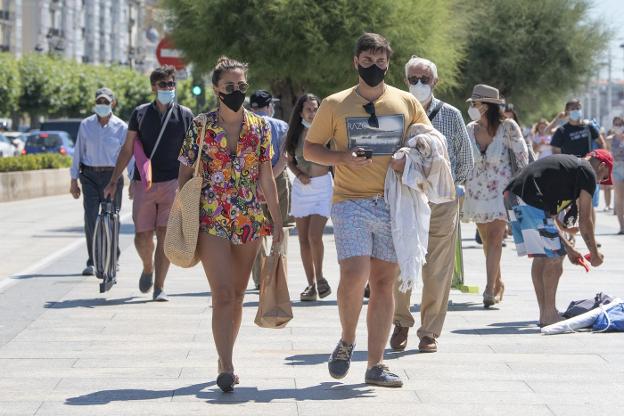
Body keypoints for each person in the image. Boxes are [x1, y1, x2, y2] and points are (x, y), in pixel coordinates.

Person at [304, 33, 430, 388]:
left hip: (393, 203)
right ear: (355, 62)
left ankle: (376, 365)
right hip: (350, 202)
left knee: (384, 284)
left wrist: (411, 160)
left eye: (380, 61)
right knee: (354, 274)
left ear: (388, 63)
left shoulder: (405, 102)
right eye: (367, 60)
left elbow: (429, 143)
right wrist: (341, 157)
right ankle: (347, 340)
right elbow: (311, 149)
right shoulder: (334, 104)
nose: (374, 67)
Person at [177, 56, 284, 393]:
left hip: (250, 219)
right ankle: (225, 364)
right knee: (222, 293)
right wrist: (183, 213)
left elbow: (266, 177)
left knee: (238, 295)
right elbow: (185, 172)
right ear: (216, 89)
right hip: (211, 217)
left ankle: (228, 355)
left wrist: (278, 224)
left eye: (241, 86)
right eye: (229, 87)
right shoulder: (200, 125)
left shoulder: (260, 127)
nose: (236, 91)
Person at [389, 56, 473, 353]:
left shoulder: (450, 114)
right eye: (414, 79)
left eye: (425, 79)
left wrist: (450, 188)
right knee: (402, 258)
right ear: (405, 81)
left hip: (442, 201)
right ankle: (400, 322)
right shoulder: (394, 111)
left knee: (438, 267)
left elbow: (465, 158)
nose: (419, 84)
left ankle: (429, 332)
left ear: (435, 82)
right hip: (405, 199)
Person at [104, 66, 194, 301]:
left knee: (165, 236)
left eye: (171, 84)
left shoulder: (185, 115)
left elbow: (195, 151)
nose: (168, 88)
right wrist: (114, 180)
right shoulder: (141, 114)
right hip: (145, 183)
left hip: (173, 183)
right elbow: (127, 148)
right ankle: (147, 267)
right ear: (154, 87)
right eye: (163, 84)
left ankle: (160, 287)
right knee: (142, 237)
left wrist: (194, 184)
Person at [504, 151, 611, 325]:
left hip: (513, 195)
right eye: (604, 178)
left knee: (543, 257)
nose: (600, 182)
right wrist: (595, 254)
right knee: (554, 257)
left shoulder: (569, 171)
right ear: (602, 166)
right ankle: (548, 315)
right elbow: (586, 220)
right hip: (528, 197)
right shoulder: (587, 172)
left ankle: (546, 312)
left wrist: (569, 248)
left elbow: (549, 219)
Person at [462, 84, 529, 308]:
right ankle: (498, 281)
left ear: (487, 105)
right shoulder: (469, 128)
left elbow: (522, 158)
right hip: (475, 191)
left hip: (501, 189)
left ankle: (489, 289)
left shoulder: (508, 127)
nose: (472, 107)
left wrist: (521, 187)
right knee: (486, 241)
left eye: (476, 103)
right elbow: (462, 158)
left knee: (495, 239)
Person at [70, 87, 127, 276]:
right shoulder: (86, 125)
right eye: (99, 102)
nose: (102, 105)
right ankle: (93, 261)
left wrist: (134, 179)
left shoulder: (121, 127)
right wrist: (73, 180)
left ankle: (112, 258)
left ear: (113, 103)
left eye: (106, 102)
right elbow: (78, 152)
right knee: (91, 217)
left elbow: (128, 155)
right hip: (89, 176)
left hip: (112, 176)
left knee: (112, 218)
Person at [285, 93, 333, 301]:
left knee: (315, 236)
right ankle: (310, 285)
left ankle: (321, 278)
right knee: (303, 239)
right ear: (301, 112)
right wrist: (299, 174)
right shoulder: (295, 132)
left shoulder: (328, 131)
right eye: (309, 109)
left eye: (316, 109)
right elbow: (289, 161)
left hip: (323, 187)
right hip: (302, 188)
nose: (313, 113)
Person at [249, 90, 291, 290]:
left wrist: (258, 182)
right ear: (268, 106)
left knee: (256, 232)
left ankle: (259, 278)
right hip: (277, 180)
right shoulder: (281, 126)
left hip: (251, 182)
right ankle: (277, 274)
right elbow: (285, 158)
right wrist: (269, 178)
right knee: (279, 228)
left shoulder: (246, 125)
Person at [608, 116, 624, 233]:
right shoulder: (609, 139)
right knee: (619, 198)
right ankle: (622, 227)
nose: (618, 126)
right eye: (616, 124)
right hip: (617, 169)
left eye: (620, 124)